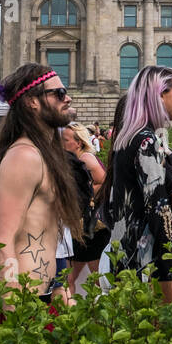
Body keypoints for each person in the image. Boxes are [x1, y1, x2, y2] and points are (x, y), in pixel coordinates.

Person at [0, 63, 84, 306]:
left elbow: (44, 233)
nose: (67, 98)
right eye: (58, 93)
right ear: (32, 102)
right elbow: (1, 242)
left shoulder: (45, 154)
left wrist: (59, 290)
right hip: (23, 303)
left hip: (40, 297)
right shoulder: (24, 157)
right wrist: (13, 313)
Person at [105, 66, 172, 309]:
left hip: (126, 252)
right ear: (160, 95)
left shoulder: (130, 137)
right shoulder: (148, 141)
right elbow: (159, 214)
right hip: (150, 258)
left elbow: (139, 200)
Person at [64, 122, 108, 299]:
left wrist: (84, 196)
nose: (61, 143)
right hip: (80, 226)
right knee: (68, 278)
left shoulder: (85, 159)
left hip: (90, 227)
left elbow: (104, 183)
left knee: (97, 277)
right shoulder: (76, 160)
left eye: (65, 140)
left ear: (78, 143)